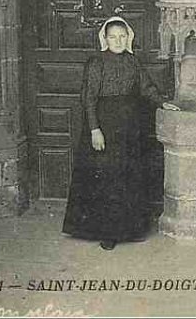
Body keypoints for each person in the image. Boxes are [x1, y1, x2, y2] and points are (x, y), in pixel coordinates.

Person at [62, 16, 179, 250]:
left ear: (129, 38)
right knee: (107, 177)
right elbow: (88, 98)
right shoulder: (96, 62)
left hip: (128, 127)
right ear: (105, 39)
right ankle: (108, 233)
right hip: (104, 125)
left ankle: (130, 229)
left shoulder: (133, 61)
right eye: (113, 36)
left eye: (122, 36)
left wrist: (162, 103)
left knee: (127, 174)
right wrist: (95, 130)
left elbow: (146, 87)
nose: (118, 40)